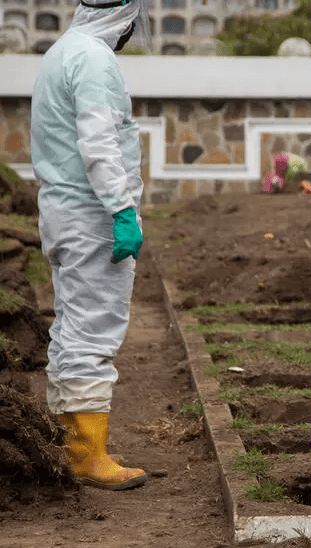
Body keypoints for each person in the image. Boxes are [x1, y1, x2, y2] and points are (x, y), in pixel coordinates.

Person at [30, 0, 151, 490]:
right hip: (92, 216)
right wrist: (121, 209)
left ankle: (74, 441)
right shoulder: (96, 60)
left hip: (64, 212)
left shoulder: (63, 50)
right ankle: (88, 457)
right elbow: (99, 142)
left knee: (71, 326)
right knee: (93, 333)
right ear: (123, 16)